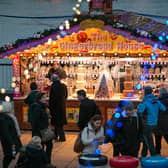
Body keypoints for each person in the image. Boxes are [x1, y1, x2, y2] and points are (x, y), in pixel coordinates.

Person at [137, 86, 166, 156]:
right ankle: (144, 155)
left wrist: (141, 104)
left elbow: (140, 110)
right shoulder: (156, 100)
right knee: (146, 139)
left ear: (145, 92)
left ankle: (153, 155)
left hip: (147, 124)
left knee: (148, 140)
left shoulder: (145, 101)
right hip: (155, 124)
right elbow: (163, 108)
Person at [31, 92, 53, 164]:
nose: (45, 99)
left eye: (45, 97)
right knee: (44, 146)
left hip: (44, 130)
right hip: (40, 131)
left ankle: (45, 161)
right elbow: (35, 121)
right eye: (43, 97)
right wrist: (36, 132)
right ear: (39, 99)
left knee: (48, 146)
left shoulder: (43, 107)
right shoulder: (37, 108)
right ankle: (44, 162)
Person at [0, 101, 22, 168]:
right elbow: (5, 133)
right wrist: (12, 143)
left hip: (13, 140)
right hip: (10, 142)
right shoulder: (3, 119)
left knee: (14, 155)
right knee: (10, 156)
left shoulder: (10, 116)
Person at [49, 74, 68, 142]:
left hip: (55, 107)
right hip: (62, 106)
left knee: (57, 123)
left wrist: (50, 107)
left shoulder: (53, 87)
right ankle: (56, 136)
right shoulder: (63, 86)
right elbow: (66, 95)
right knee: (59, 123)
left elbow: (52, 98)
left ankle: (61, 137)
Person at [155, 88, 168, 154]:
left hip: (158, 123)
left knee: (158, 140)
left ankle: (157, 154)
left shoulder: (157, 102)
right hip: (166, 124)